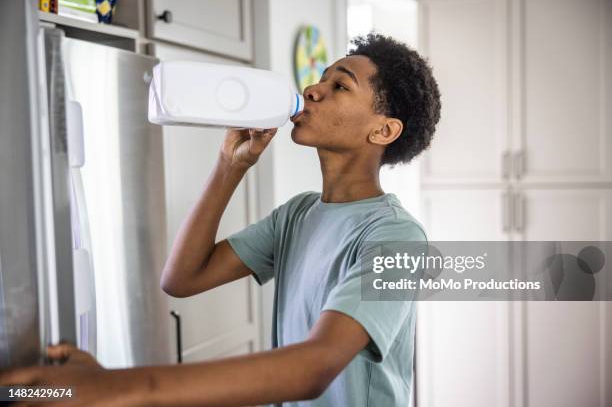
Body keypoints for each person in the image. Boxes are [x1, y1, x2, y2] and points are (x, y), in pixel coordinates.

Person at [0, 32, 441, 406]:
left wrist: (112, 388)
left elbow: (315, 366)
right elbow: (183, 277)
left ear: (383, 131)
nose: (312, 89)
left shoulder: (399, 239)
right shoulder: (299, 214)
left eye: (340, 86)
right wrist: (230, 166)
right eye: (320, 78)